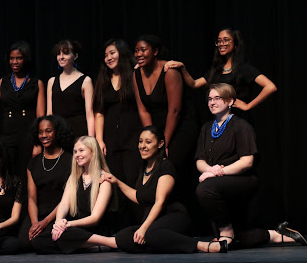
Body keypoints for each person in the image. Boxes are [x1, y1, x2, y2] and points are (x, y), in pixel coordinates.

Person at [194, 83, 307, 249]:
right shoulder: (206, 128)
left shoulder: (241, 126)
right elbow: (199, 161)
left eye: (218, 98)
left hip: (242, 179)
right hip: (218, 180)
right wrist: (210, 170)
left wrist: (219, 172)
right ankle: (278, 235)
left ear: (230, 101)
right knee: (236, 240)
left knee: (205, 189)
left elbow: (247, 162)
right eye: (210, 99)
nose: (212, 102)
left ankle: (227, 231)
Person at [101, 125, 227, 254]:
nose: (142, 146)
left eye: (148, 142)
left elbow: (160, 202)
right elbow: (139, 197)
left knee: (150, 234)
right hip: (156, 222)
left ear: (160, 144)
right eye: (140, 141)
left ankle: (203, 246)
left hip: (174, 216)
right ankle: (168, 244)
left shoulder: (165, 166)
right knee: (123, 237)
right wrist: (116, 182)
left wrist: (144, 228)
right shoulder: (143, 168)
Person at [133, 34, 199, 206]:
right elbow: (143, 109)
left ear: (155, 51)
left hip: (180, 126)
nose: (139, 54)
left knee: (171, 164)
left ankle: (184, 214)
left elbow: (175, 110)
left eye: (143, 50)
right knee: (151, 165)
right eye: (136, 50)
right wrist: (151, 139)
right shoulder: (136, 73)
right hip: (157, 128)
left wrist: (164, 143)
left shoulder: (169, 71)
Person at [164, 28, 277, 124]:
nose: (222, 43)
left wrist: (248, 106)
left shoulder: (244, 68)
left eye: (226, 40)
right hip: (220, 121)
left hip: (239, 121)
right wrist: (182, 67)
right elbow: (194, 84)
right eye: (219, 41)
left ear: (236, 44)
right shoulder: (217, 69)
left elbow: (270, 87)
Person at [31, 136, 117, 254]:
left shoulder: (104, 179)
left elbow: (95, 218)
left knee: (68, 234)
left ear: (93, 152)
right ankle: (89, 246)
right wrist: (58, 223)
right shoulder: (74, 177)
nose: (77, 155)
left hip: (94, 229)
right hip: (75, 228)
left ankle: (108, 242)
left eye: (81, 151)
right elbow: (64, 203)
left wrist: (68, 224)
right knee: (38, 242)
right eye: (75, 151)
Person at [93, 38, 143, 229]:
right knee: (114, 182)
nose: (108, 58)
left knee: (132, 179)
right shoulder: (103, 79)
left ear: (122, 53)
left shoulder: (135, 74)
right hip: (111, 140)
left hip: (133, 137)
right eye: (105, 55)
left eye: (112, 53)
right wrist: (99, 139)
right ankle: (121, 229)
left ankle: (140, 226)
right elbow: (99, 112)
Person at [17, 115, 74, 252]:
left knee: (40, 242)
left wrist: (46, 222)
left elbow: (68, 198)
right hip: (39, 213)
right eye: (40, 132)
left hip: (60, 212)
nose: (44, 135)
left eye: (48, 131)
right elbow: (31, 197)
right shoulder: (33, 163)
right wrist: (35, 222)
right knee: (24, 243)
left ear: (57, 132)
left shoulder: (70, 160)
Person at [0, 41, 46, 179]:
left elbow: (41, 116)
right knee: (7, 173)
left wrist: (38, 143)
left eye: (19, 58)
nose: (14, 62)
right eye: (12, 58)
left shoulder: (36, 83)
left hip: (28, 135)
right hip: (7, 134)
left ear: (26, 59)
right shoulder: (3, 82)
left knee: (27, 174)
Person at [47, 39, 95, 138]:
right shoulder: (52, 81)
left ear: (75, 56)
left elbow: (90, 115)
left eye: (65, 53)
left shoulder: (85, 81)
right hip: (58, 134)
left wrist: (91, 141)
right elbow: (49, 114)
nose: (61, 57)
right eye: (58, 54)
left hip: (78, 134)